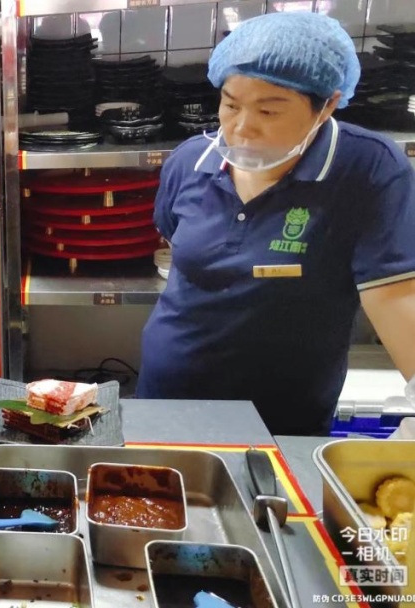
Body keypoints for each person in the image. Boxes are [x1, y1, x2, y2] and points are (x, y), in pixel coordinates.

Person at [136, 11, 415, 436]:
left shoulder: (367, 168)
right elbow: (183, 257)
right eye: (230, 104)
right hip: (168, 396)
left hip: (284, 417)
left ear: (327, 106)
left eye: (268, 110)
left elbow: (396, 298)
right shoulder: (190, 161)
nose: (242, 128)